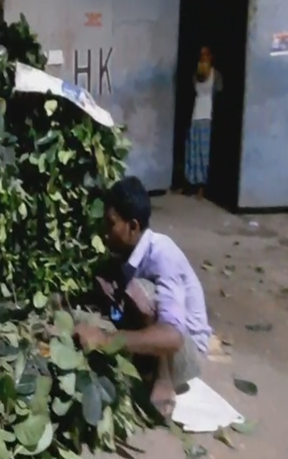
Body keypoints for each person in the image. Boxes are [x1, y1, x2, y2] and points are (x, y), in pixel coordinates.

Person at [74, 176, 211, 419]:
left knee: (140, 291)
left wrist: (106, 339)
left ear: (133, 226)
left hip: (185, 356)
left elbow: (173, 337)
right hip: (165, 339)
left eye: (111, 223)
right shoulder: (130, 252)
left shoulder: (162, 254)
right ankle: (143, 372)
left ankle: (162, 379)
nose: (105, 232)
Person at [184, 45, 222, 199]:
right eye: (201, 55)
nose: (203, 57)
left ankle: (202, 186)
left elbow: (218, 92)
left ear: (210, 57)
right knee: (192, 150)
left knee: (203, 153)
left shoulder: (215, 75)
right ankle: (191, 183)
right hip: (196, 114)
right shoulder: (196, 75)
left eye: (206, 54)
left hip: (207, 116)